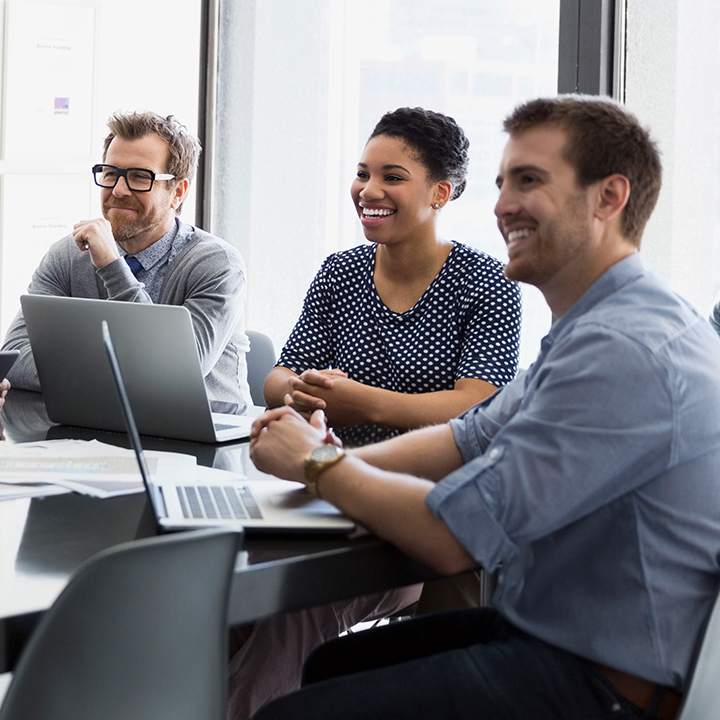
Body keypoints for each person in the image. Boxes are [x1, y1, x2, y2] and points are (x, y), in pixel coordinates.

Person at [247, 95, 720, 720]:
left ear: (609, 198)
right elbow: (465, 437)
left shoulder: (624, 348)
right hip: (551, 632)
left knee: (289, 714)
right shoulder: (596, 324)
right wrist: (322, 455)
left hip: (606, 682)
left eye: (529, 182)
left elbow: (451, 538)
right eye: (501, 184)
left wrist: (319, 468)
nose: (501, 205)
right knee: (329, 666)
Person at [264, 107, 520, 447]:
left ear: (440, 193)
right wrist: (304, 391)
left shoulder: (487, 280)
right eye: (362, 174)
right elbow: (279, 378)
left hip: (439, 485)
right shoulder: (340, 272)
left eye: (393, 177)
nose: (368, 191)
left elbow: (480, 406)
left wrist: (363, 403)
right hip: (336, 474)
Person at [1, 111, 250, 413]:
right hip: (93, 431)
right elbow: (14, 357)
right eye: (110, 173)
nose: (118, 190)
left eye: (139, 177)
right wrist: (123, 371)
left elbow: (175, 374)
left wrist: (111, 266)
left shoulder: (216, 264)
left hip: (202, 444)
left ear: (178, 192)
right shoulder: (69, 254)